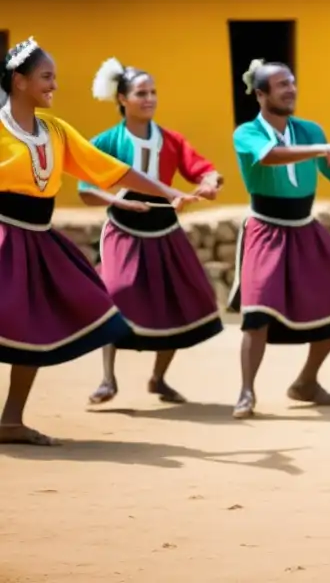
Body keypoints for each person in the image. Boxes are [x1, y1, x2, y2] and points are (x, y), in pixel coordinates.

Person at [0, 37, 200, 445]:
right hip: (2, 235)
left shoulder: (56, 131)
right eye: (46, 77)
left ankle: (10, 420)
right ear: (19, 81)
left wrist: (167, 191)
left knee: (31, 326)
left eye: (54, 76)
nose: (54, 84)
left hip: (37, 241)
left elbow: (114, 171)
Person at [226, 60, 330, 419]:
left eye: (291, 83)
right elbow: (271, 156)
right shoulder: (246, 133)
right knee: (257, 311)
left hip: (306, 228)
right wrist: (324, 149)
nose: (290, 89)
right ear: (260, 95)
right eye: (280, 85)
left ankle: (306, 382)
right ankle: (246, 392)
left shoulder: (309, 130)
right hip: (265, 228)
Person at [80, 58, 225, 406]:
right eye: (141, 93)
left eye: (153, 92)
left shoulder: (171, 141)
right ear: (122, 100)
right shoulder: (106, 141)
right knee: (116, 292)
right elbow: (86, 190)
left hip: (165, 231)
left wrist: (209, 182)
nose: (149, 98)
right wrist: (123, 203)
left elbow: (203, 170)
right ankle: (107, 378)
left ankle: (158, 378)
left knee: (179, 297)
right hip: (124, 229)